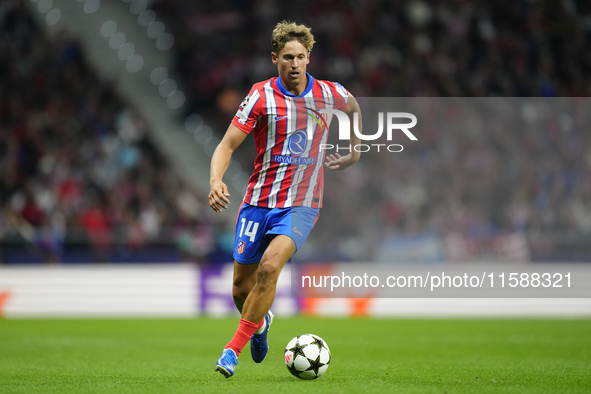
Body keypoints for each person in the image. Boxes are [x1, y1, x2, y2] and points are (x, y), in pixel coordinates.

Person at [208, 21, 362, 378]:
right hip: (258, 201)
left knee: (269, 267)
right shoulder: (261, 96)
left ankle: (231, 351)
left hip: (302, 204)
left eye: (301, 57)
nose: (295, 64)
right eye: (288, 57)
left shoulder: (329, 93)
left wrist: (354, 150)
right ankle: (260, 325)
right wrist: (215, 180)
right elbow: (227, 145)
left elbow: (353, 108)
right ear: (275, 59)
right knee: (240, 290)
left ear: (310, 58)